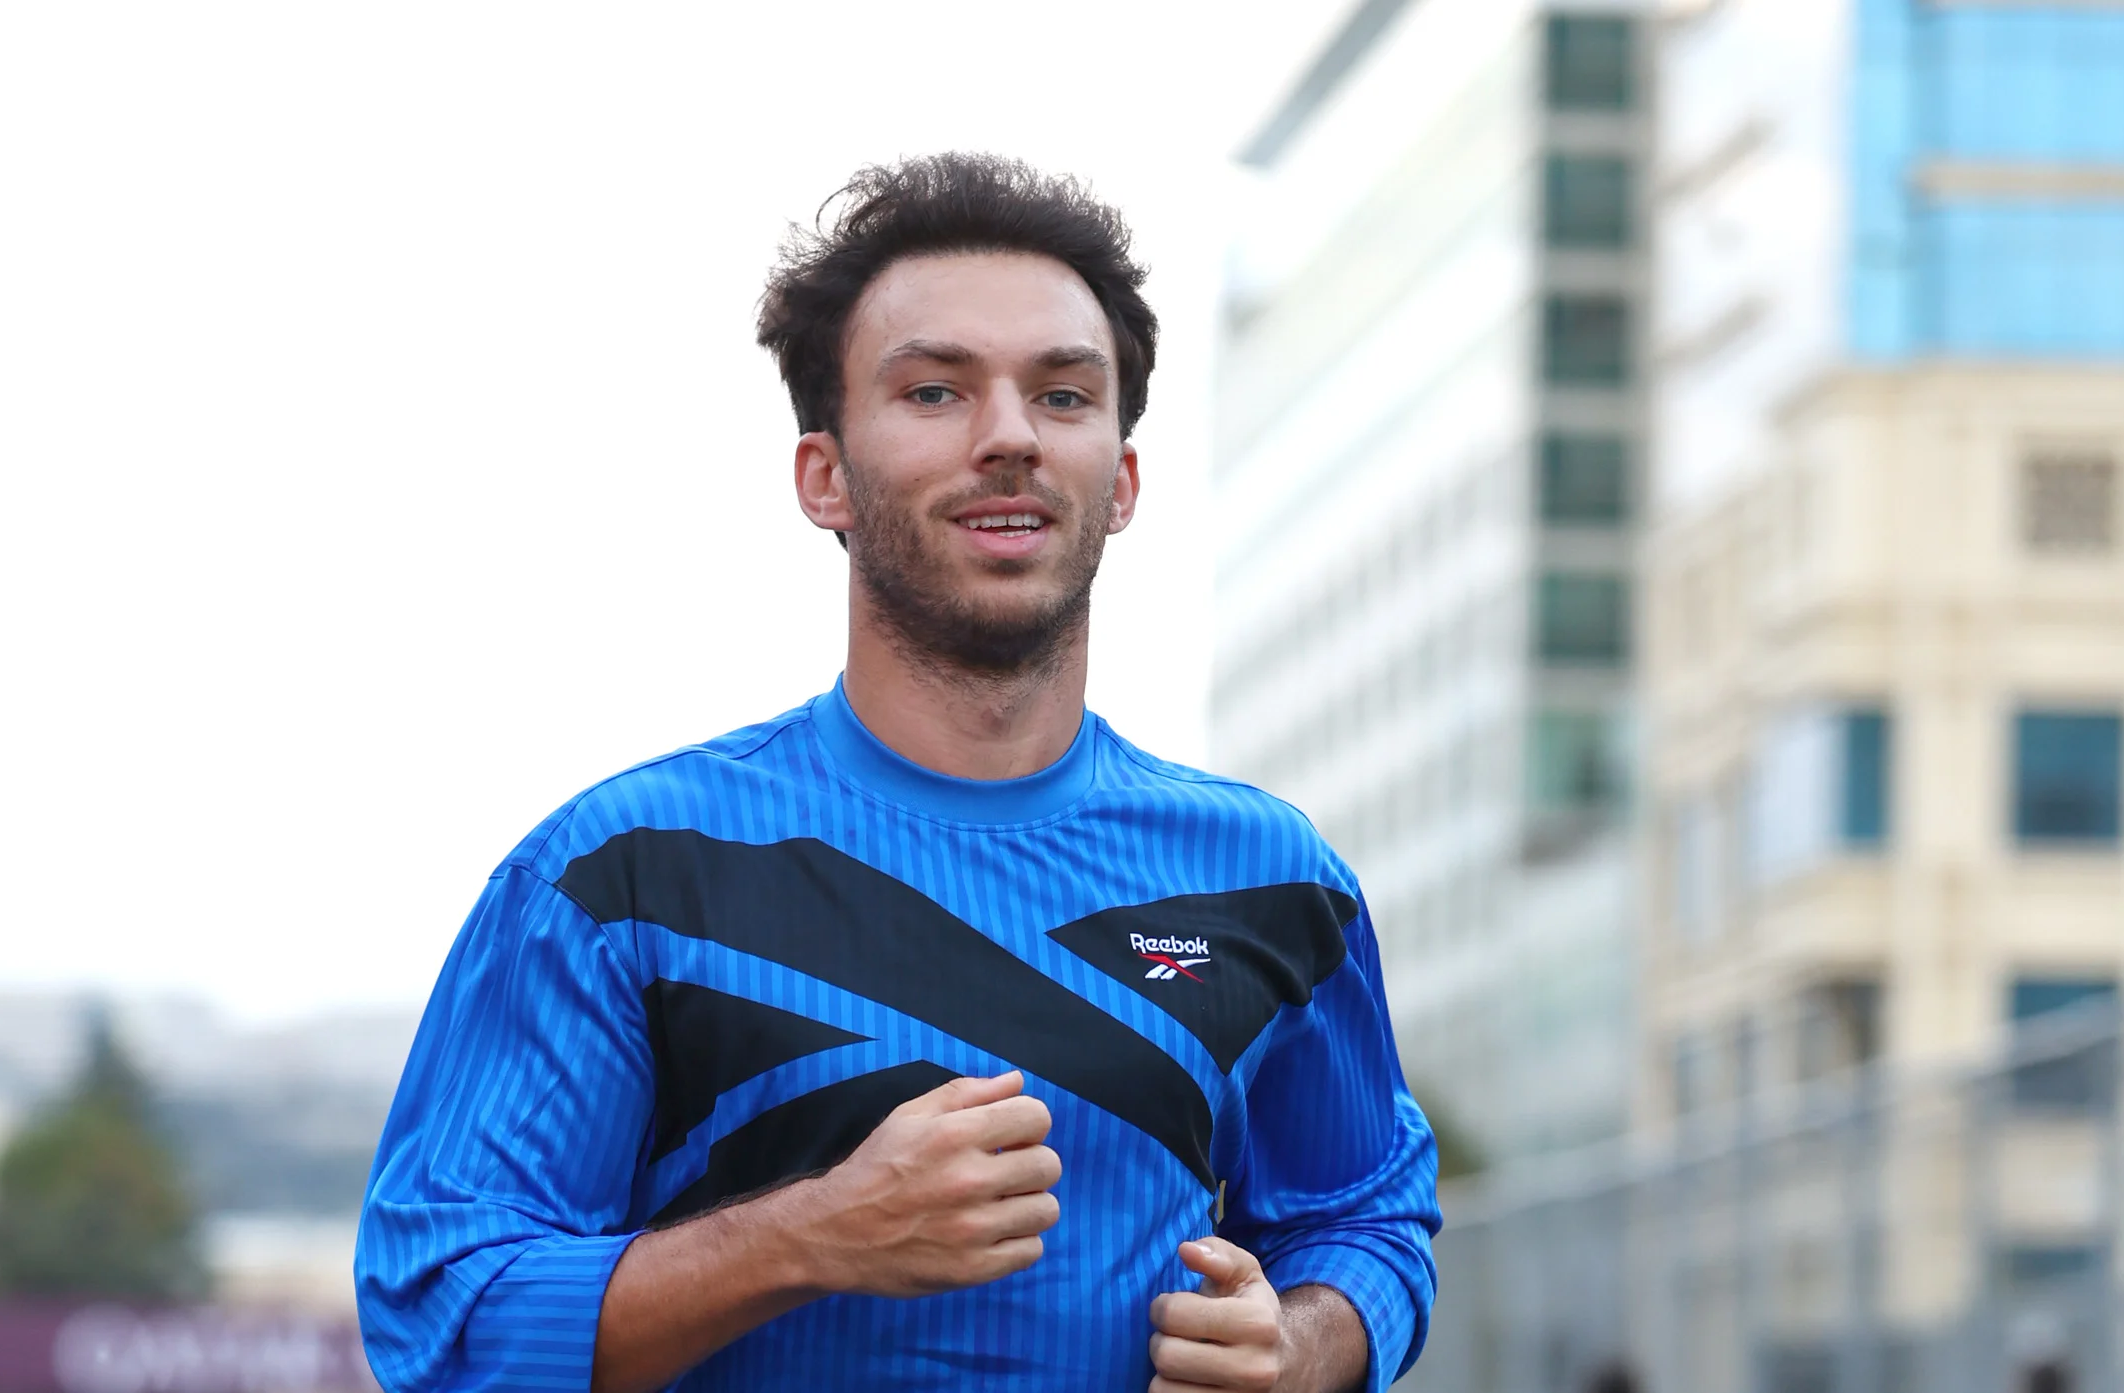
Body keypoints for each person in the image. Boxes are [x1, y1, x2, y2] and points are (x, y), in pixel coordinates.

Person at [353, 152, 1441, 1393]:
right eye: (934, 391)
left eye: (1063, 396)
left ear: (1122, 480)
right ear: (824, 478)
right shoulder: (624, 874)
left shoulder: (1270, 877)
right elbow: (440, 1317)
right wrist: (809, 1234)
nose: (1009, 437)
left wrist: (1299, 1347)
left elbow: (1367, 1216)